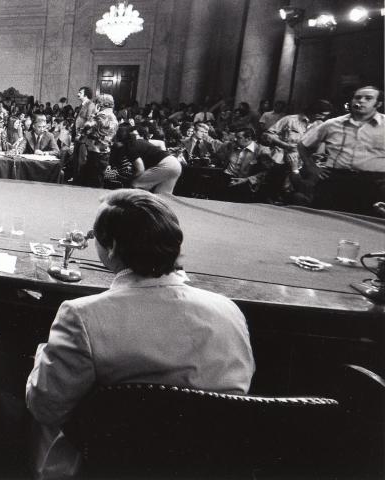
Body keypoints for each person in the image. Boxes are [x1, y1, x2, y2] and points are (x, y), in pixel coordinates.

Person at [26, 190, 255, 478]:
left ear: (112, 248)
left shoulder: (81, 316)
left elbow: (46, 407)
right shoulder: (229, 311)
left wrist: (42, 357)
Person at [297, 86, 385, 216]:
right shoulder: (332, 124)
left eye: (368, 98)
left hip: (372, 183)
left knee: (364, 225)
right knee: (322, 220)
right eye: (357, 97)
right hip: (335, 180)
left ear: (378, 104)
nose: (360, 101)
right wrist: (312, 167)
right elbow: (303, 145)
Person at [113, 124, 182, 195]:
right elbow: (160, 143)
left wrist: (130, 179)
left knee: (136, 184)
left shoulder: (129, 147)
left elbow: (140, 169)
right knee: (163, 195)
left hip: (166, 165)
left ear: (119, 139)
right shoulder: (140, 141)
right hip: (175, 163)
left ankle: (134, 205)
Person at [265, 99, 332, 171]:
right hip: (280, 161)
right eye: (322, 114)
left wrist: (317, 156)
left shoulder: (320, 126)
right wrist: (285, 145)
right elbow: (268, 134)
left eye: (325, 115)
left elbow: (321, 144)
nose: (323, 117)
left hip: (302, 165)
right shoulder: (290, 120)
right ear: (313, 111)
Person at [76, 93, 119, 188]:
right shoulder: (114, 118)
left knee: (89, 181)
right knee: (97, 180)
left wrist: (94, 114)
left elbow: (85, 129)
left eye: (96, 102)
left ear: (100, 104)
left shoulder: (100, 116)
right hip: (105, 153)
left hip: (94, 153)